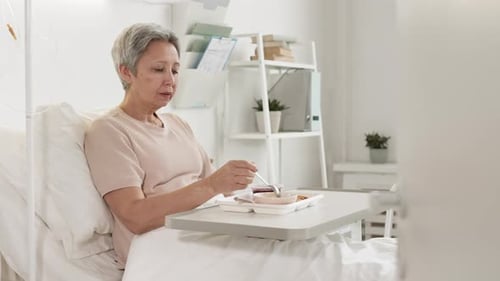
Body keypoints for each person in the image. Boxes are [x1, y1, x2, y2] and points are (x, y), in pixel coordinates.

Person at [84, 23, 257, 268]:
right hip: (160, 247)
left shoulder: (178, 124)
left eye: (175, 70)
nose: (170, 80)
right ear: (126, 72)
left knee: (310, 247)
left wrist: (256, 196)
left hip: (207, 231)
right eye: (158, 69)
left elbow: (219, 191)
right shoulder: (109, 131)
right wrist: (213, 184)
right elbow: (136, 216)